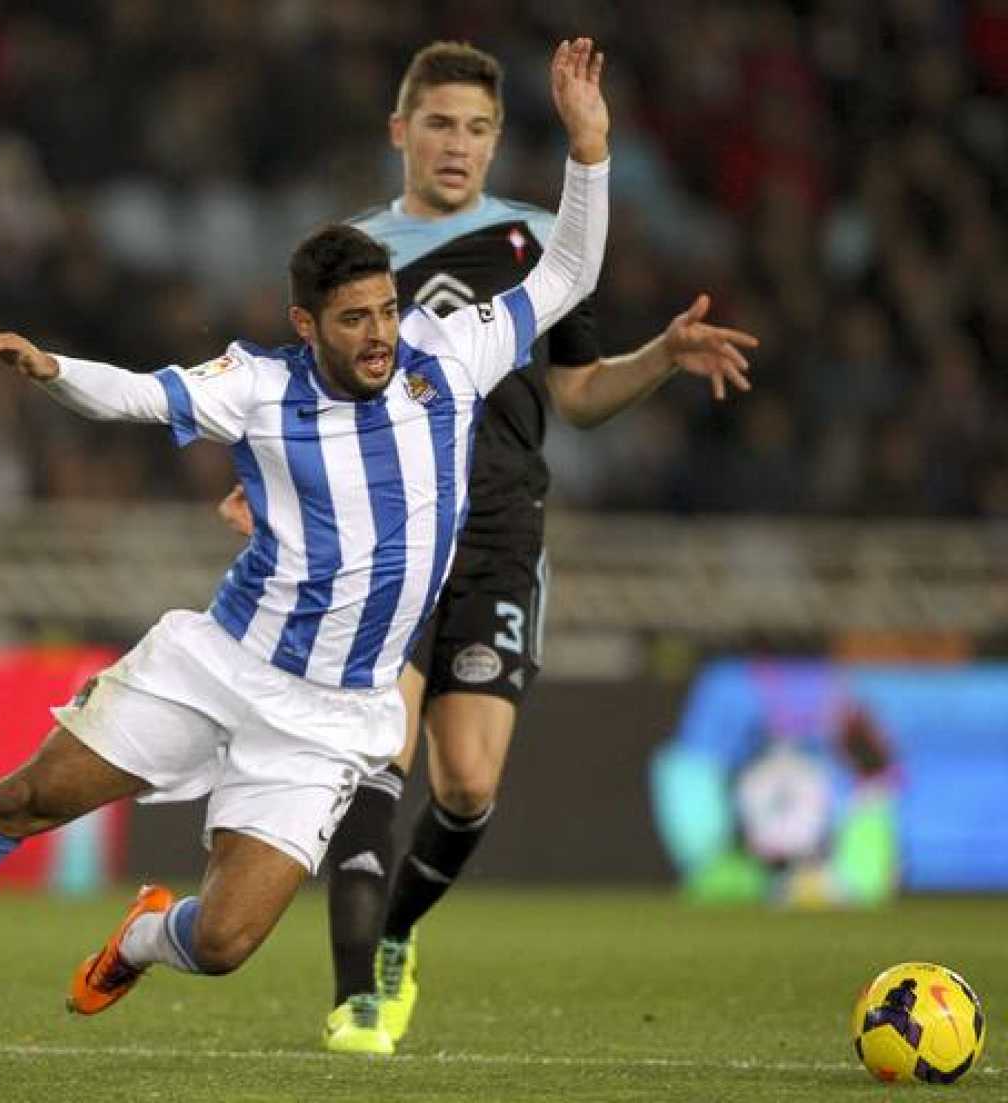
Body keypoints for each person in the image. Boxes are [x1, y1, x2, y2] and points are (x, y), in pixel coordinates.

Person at [0, 39, 614, 1030]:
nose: (377, 334)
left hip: (334, 718)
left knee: (226, 943)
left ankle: (144, 932)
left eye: (384, 311)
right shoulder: (259, 385)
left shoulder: (452, 353)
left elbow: (572, 267)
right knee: (29, 798)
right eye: (354, 319)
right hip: (220, 664)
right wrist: (50, 367)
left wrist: (590, 148)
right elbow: (139, 398)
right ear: (304, 322)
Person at [218, 42, 759, 1055]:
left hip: (502, 530)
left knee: (465, 783)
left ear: (497, 138)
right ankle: (356, 1002)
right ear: (399, 132)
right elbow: (302, 399)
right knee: (379, 746)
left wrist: (659, 357)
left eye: (474, 127)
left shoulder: (536, 239)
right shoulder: (352, 252)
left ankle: (397, 938)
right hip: (386, 538)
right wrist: (266, 491)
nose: (455, 143)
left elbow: (579, 393)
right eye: (437, 123)